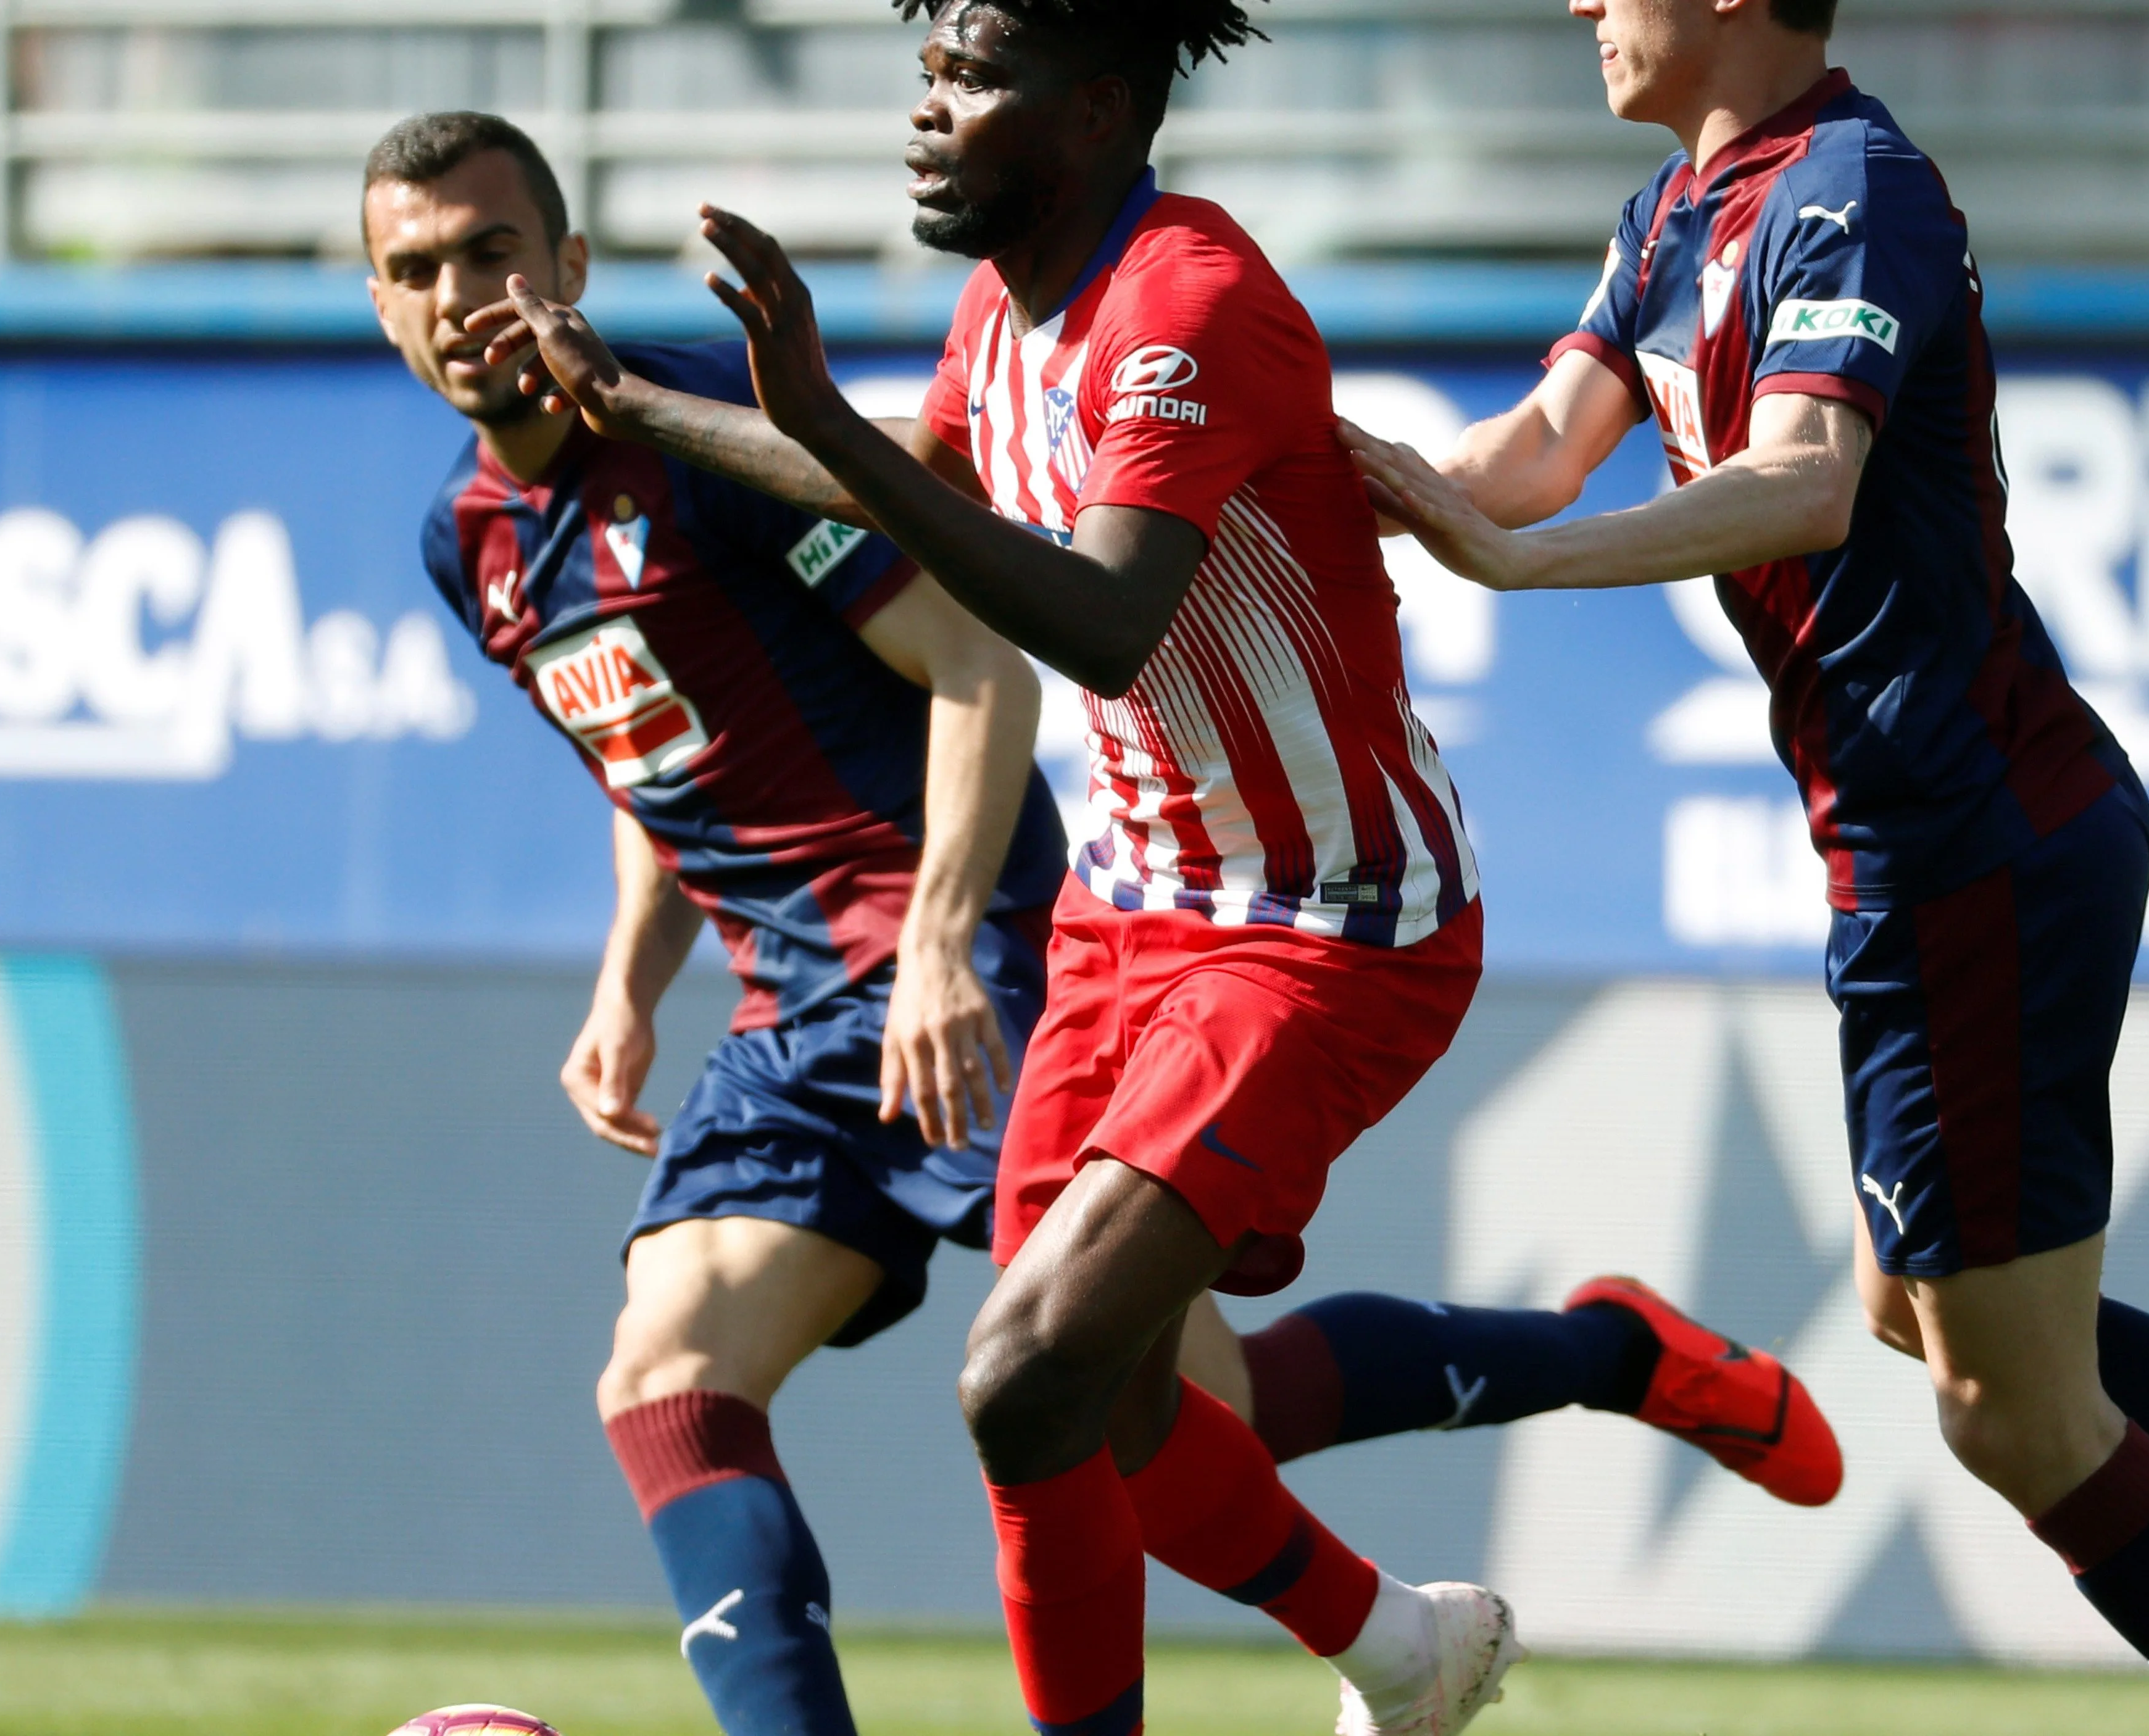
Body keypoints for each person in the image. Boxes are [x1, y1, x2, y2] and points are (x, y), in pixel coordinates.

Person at [373, 102, 1834, 1736]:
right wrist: (630, 982)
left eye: (491, 253)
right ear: (378, 303)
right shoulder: (475, 538)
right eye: (415, 270)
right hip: (793, 1015)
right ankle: (1409, 1610)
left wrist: (938, 940)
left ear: (566, 261)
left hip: (968, 964)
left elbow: (981, 656)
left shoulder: (702, 426)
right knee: (672, 1379)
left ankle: (1601, 1363)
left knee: (1161, 1402)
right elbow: (662, 756)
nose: (458, 296)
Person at [1333, 0, 2149, 1730]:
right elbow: (1528, 455)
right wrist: (1297, 474)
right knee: (1923, 1311)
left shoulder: (1854, 184)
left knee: (2010, 1409)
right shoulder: (1680, 207)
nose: (1584, 5)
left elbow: (1806, 480)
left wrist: (1517, 572)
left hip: (1979, 839)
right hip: (1934, 845)